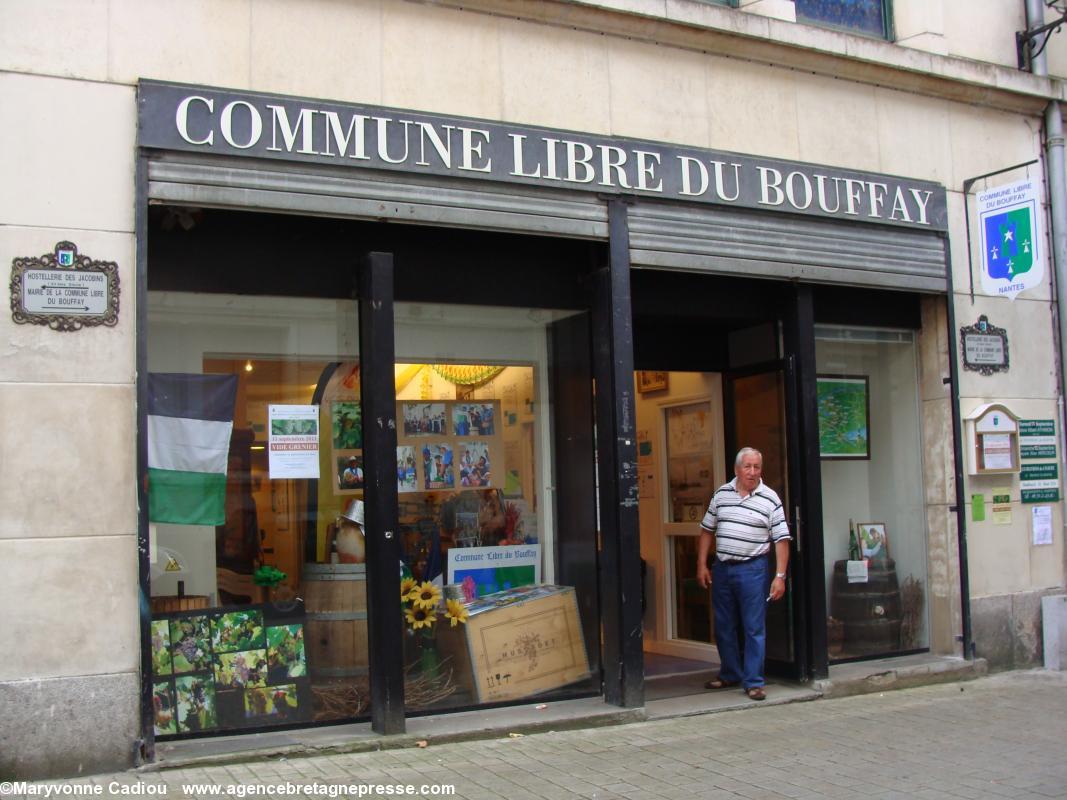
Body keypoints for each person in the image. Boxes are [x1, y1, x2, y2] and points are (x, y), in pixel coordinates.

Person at [696, 447, 791, 701]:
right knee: (724, 625)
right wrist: (701, 564)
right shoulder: (722, 494)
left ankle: (754, 682)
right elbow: (707, 530)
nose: (752, 472)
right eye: (747, 467)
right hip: (723, 569)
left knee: (753, 627)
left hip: (753, 569)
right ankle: (730, 673)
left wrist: (780, 576)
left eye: (756, 467)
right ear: (737, 469)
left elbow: (781, 539)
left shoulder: (770, 499)